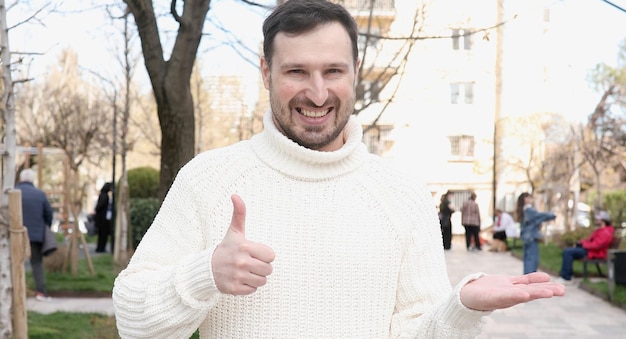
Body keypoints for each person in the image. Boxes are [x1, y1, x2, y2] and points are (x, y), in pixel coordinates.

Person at [112, 1, 565, 337]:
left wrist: (461, 307)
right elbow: (132, 321)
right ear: (266, 72)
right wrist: (205, 273)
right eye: (296, 72)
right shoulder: (207, 180)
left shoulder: (403, 195)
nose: (317, 92)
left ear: (355, 71)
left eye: (333, 71)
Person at [15, 168, 54, 301]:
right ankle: (41, 292)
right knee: (36, 263)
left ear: (20, 179)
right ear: (32, 180)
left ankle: (14, 290)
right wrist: (44, 227)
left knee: (13, 262)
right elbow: (48, 214)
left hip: (15, 234)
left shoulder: (12, 192)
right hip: (35, 235)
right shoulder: (40, 194)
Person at [557, 210, 615, 284]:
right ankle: (567, 275)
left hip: (595, 253)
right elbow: (591, 241)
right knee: (568, 251)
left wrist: (583, 245)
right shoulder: (600, 230)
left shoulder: (605, 232)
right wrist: (580, 243)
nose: (595, 220)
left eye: (598, 219)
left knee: (568, 252)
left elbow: (597, 245)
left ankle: (566, 277)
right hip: (591, 250)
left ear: (603, 220)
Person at [516, 192, 556, 274]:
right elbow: (539, 216)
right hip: (531, 237)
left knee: (527, 258)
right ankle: (530, 278)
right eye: (527, 197)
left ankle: (527, 277)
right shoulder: (529, 210)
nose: (530, 198)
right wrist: (552, 215)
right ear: (524, 199)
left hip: (525, 237)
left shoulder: (522, 210)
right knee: (532, 259)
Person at [94, 182, 113, 253]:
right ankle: (101, 248)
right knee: (103, 234)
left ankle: (100, 247)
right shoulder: (105, 196)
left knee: (101, 234)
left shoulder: (102, 195)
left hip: (101, 218)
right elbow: (100, 206)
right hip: (103, 219)